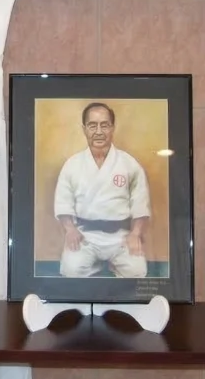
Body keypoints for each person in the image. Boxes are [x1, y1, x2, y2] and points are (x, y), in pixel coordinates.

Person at [53, 102, 151, 278]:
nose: (98, 131)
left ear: (112, 128)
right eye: (92, 125)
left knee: (138, 272)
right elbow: (63, 200)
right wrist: (70, 229)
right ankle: (95, 267)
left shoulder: (129, 163)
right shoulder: (72, 165)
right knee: (71, 270)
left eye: (104, 125)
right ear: (84, 129)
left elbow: (140, 201)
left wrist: (135, 233)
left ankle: (112, 267)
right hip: (85, 235)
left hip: (120, 235)